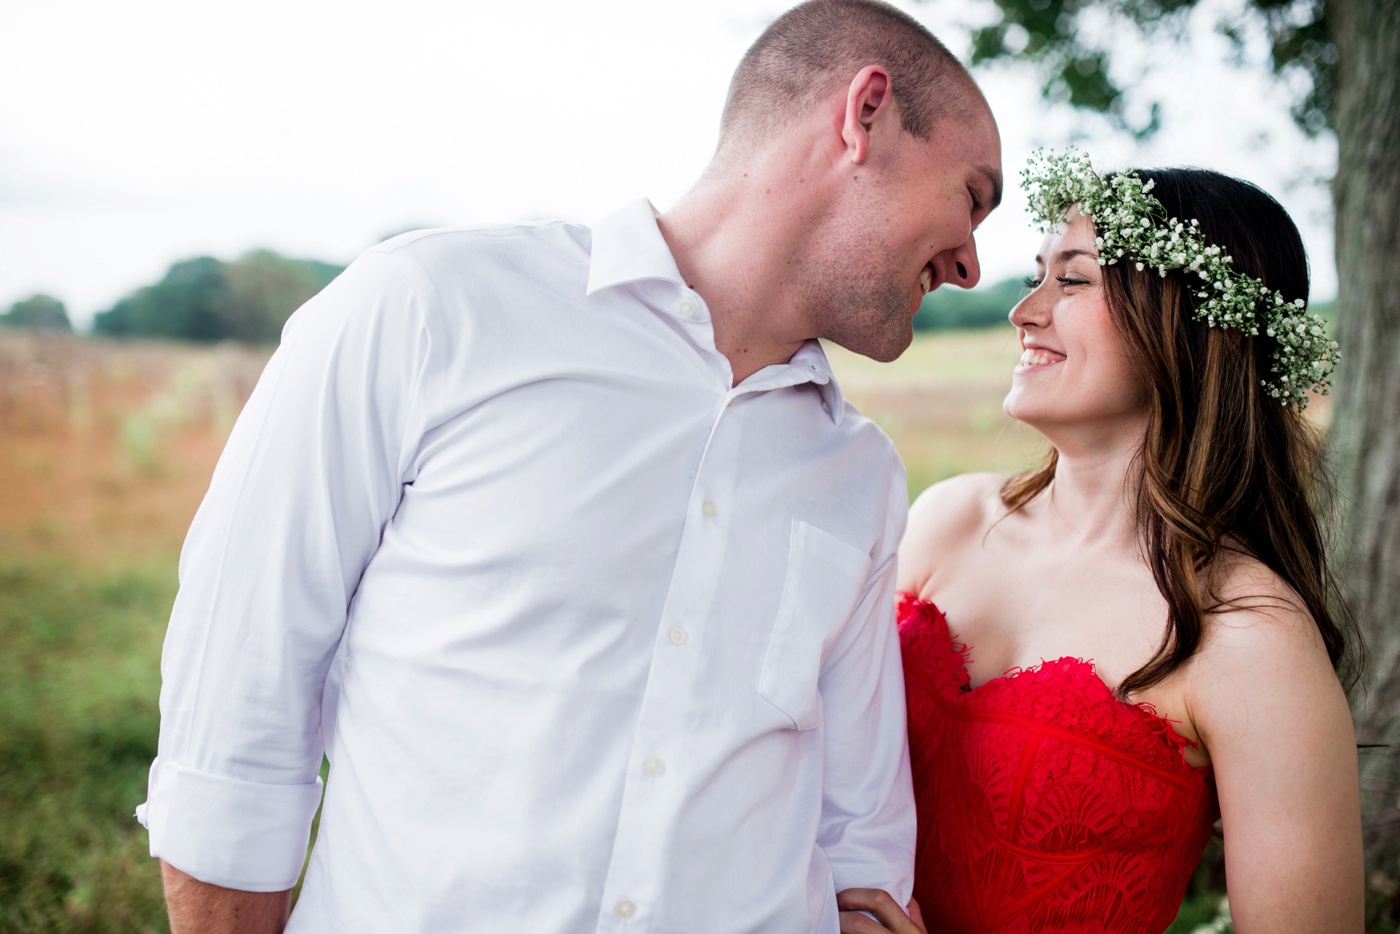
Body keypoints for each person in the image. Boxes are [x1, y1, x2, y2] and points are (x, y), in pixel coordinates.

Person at [135, 2, 1003, 931]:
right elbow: (237, 712)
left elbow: (860, 829)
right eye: (973, 197)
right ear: (863, 114)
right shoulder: (428, 310)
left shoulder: (860, 473)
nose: (972, 265)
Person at [841, 153, 1363, 934]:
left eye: (1073, 279)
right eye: (1037, 273)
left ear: (1192, 321)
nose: (1024, 311)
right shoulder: (946, 521)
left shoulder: (1248, 634)